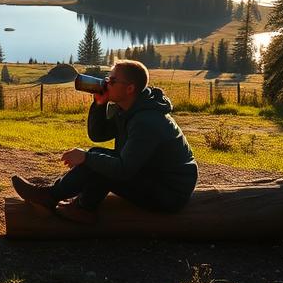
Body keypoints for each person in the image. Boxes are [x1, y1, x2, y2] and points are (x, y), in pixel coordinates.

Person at [11, 59, 198, 224]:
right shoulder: (128, 108)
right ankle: (80, 207)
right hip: (152, 175)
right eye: (107, 78)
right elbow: (98, 135)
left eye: (113, 80)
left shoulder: (146, 121)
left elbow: (123, 170)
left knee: (96, 161)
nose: (106, 83)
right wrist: (100, 105)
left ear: (130, 88)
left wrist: (86, 158)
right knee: (96, 156)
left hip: (169, 193)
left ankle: (54, 199)